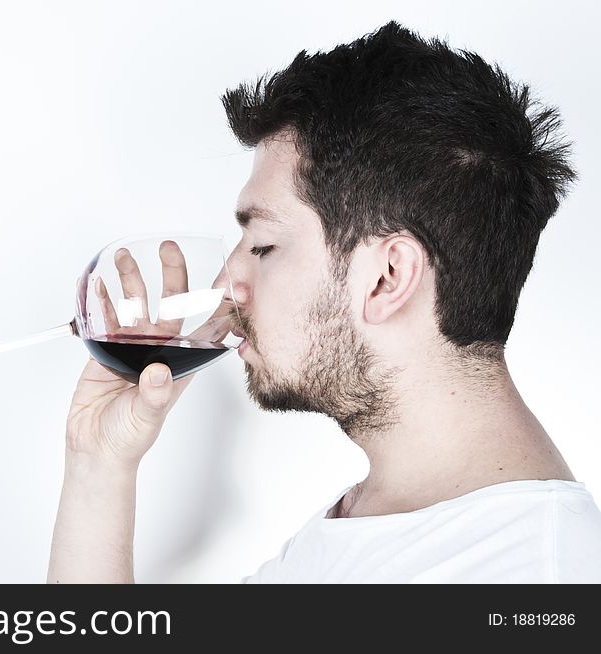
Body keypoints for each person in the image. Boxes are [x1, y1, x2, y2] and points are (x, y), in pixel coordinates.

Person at [46, 21, 601, 583]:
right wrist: (99, 464)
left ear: (387, 277)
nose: (227, 281)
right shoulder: (372, 524)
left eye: (263, 244)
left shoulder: (531, 578)